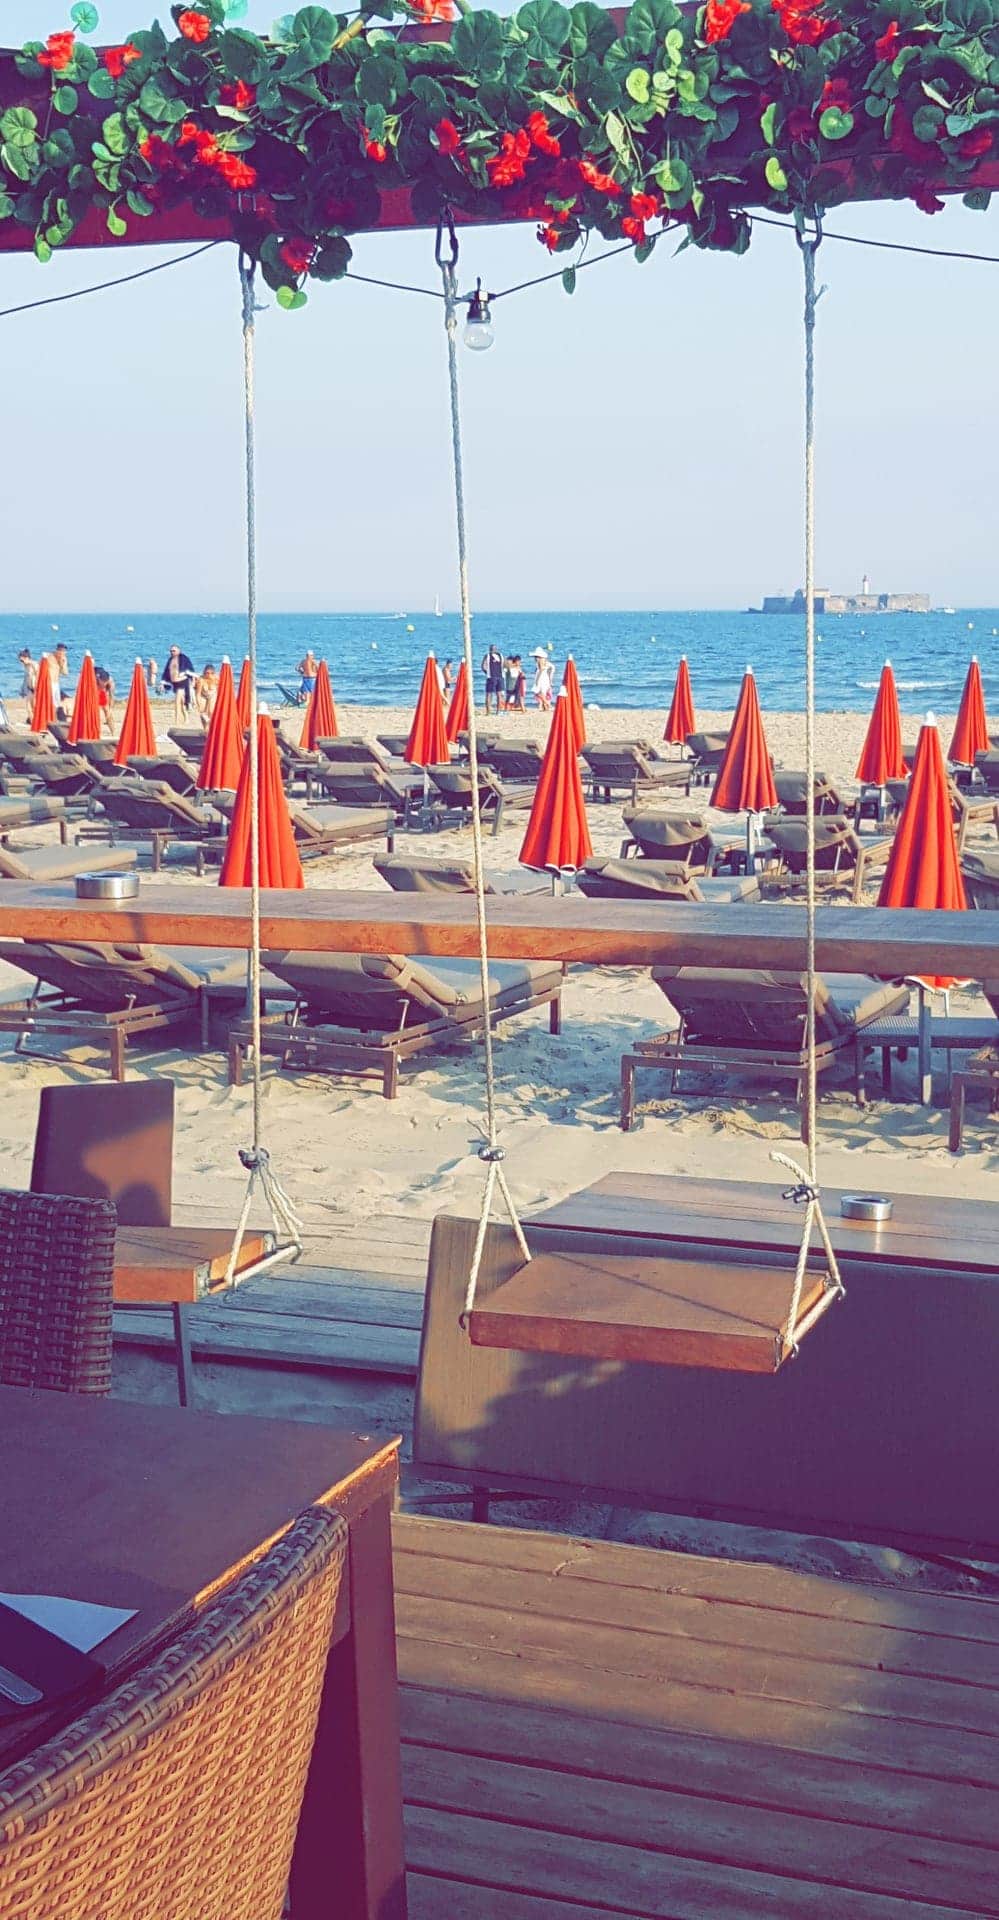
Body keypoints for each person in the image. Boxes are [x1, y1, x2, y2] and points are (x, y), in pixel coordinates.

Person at [161, 644, 196, 720]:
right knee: (181, 702)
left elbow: (190, 669)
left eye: (174, 651)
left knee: (177, 701)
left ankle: (176, 719)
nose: (172, 652)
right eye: (171, 651)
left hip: (182, 682)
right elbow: (166, 671)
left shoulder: (184, 659)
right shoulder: (170, 660)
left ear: (179, 651)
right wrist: (163, 683)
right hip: (175, 683)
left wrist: (192, 680)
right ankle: (186, 718)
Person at [481, 643, 504, 714]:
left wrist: (487, 672)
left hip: (492, 677)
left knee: (490, 694)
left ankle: (489, 712)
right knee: (498, 694)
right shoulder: (500, 655)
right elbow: (504, 665)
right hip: (499, 676)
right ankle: (497, 711)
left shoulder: (488, 656)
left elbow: (483, 666)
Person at [95, 665, 115, 734]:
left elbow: (112, 696)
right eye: (102, 682)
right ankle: (95, 731)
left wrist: (111, 709)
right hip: (95, 688)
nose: (103, 684)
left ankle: (113, 731)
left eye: (105, 683)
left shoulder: (111, 682)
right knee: (95, 711)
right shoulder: (94, 678)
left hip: (102, 691)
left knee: (107, 711)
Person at [532, 647, 553, 711]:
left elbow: (541, 669)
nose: (535, 658)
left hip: (541, 676)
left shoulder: (540, 660)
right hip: (545, 676)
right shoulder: (544, 660)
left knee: (539, 692)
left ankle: (548, 705)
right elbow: (549, 668)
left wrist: (537, 679)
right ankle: (545, 706)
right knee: (543, 692)